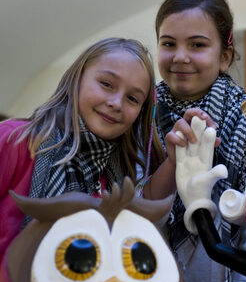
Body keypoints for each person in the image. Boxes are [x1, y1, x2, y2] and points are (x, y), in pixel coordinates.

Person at [0, 37, 183, 260]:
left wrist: (176, 159)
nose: (116, 103)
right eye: (106, 84)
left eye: (132, 98)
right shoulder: (15, 139)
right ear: (77, 79)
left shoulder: (114, 179)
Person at [154, 0, 246, 282]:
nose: (180, 57)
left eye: (197, 45)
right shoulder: (136, 113)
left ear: (225, 56)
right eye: (168, 44)